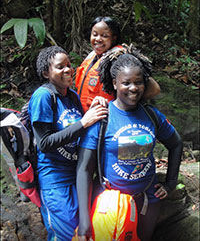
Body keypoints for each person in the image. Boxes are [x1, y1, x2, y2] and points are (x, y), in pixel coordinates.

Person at [76, 44, 183, 241]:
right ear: (115, 84)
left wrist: (170, 184)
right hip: (109, 202)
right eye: (126, 83)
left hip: (146, 200)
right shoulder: (102, 117)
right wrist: (84, 221)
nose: (133, 88)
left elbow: (176, 144)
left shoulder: (152, 116)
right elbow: (84, 169)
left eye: (138, 82)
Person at [28, 46, 108, 241]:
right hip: (55, 181)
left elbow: (81, 131)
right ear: (46, 73)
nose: (67, 70)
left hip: (77, 176)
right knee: (63, 236)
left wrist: (95, 106)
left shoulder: (71, 96)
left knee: (81, 233)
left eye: (69, 65)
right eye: (60, 67)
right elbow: (45, 143)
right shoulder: (43, 97)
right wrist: (84, 122)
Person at [75, 16, 161, 112]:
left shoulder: (118, 58)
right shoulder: (92, 57)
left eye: (104, 36)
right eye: (95, 34)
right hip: (85, 118)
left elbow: (154, 89)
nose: (98, 39)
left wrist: (122, 107)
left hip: (107, 119)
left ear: (114, 38)